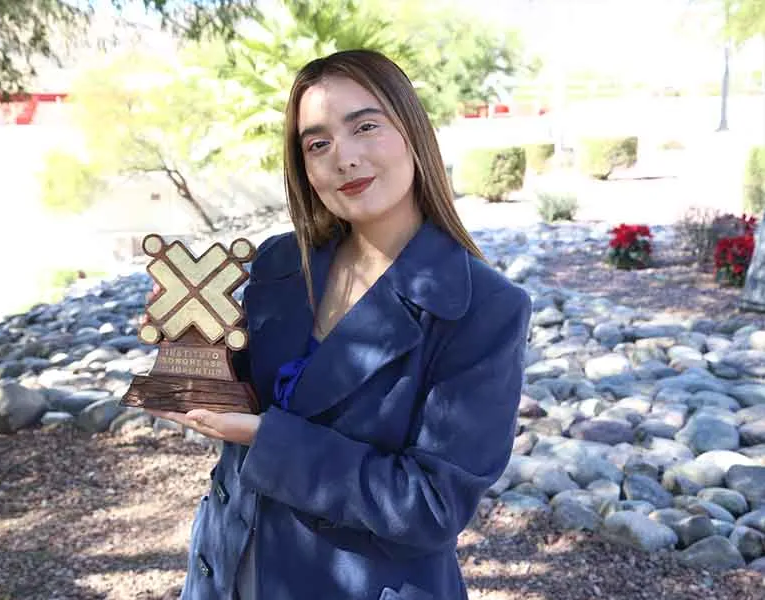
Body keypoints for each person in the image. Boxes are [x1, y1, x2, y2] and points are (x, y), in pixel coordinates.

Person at [160, 49, 532, 600]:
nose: (344, 157)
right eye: (318, 144)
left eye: (365, 127)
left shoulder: (484, 308)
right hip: (229, 568)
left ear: (411, 131)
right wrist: (189, 338)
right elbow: (240, 390)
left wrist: (268, 439)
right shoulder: (282, 264)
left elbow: (430, 506)